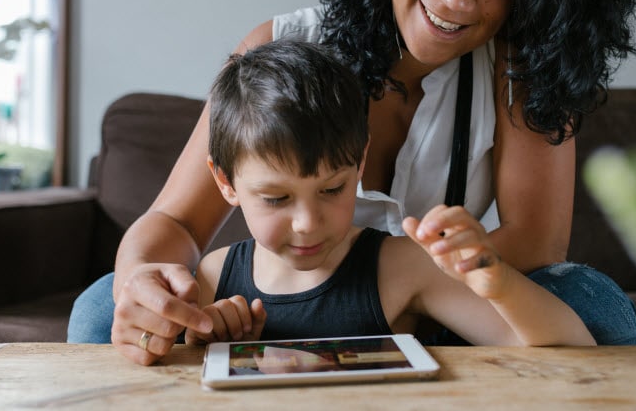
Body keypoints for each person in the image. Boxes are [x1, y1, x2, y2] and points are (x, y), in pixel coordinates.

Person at [68, 0, 636, 364]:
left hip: (444, 310)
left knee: (592, 304)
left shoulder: (522, 68)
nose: (457, 0)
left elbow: (537, 244)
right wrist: (141, 286)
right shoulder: (280, 48)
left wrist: (407, 291)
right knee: (101, 310)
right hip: (292, 307)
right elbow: (173, 222)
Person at [183, 39, 595, 348]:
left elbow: (574, 346)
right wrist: (204, 343)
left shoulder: (401, 267)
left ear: (359, 164)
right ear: (225, 182)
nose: (308, 222)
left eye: (332, 188)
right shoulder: (212, 278)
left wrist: (498, 282)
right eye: (276, 198)